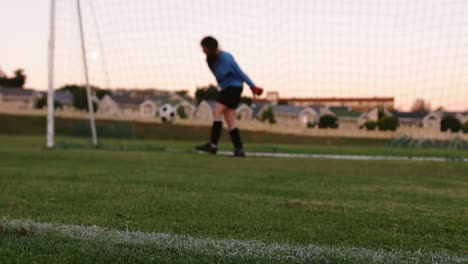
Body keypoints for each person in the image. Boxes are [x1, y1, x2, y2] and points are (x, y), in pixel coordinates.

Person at [196, 36, 263, 157]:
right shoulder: (209, 60)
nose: (202, 50)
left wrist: (253, 86)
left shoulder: (226, 58)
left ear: (210, 48)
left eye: (204, 48)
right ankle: (239, 149)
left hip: (234, 87)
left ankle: (213, 145)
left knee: (217, 110)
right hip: (227, 88)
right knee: (229, 118)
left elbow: (240, 72)